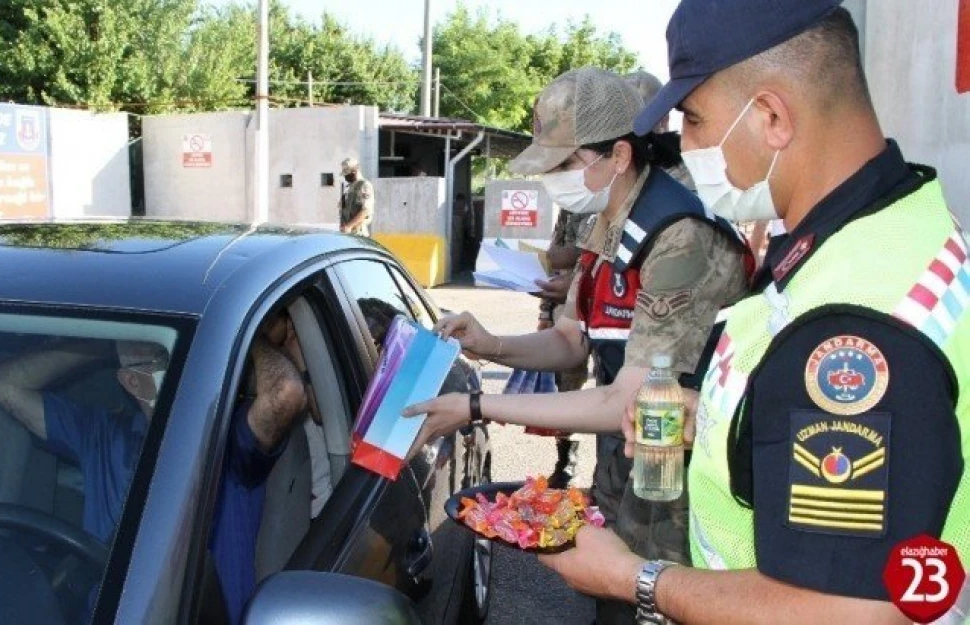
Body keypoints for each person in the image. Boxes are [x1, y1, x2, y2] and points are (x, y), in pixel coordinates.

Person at [537, 3, 970, 623]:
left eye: (693, 119)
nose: (683, 146)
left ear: (770, 117)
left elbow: (850, 610)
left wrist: (635, 577)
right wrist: (723, 420)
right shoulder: (882, 228)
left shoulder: (851, 330)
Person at [405, 66, 752, 623]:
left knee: (659, 608)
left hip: (684, 484)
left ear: (618, 155)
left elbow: (626, 401)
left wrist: (474, 406)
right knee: (609, 603)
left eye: (565, 165)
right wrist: (489, 342)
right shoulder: (608, 225)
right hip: (628, 468)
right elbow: (571, 342)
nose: (552, 181)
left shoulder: (678, 236)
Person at [0, 313, 308, 624]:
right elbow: (1, 384)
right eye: (158, 356)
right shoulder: (101, 436)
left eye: (180, 352)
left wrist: (241, 338)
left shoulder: (224, 436)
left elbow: (285, 394)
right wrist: (98, 345)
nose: (178, 362)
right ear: (130, 381)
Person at [537, 207, 593, 488]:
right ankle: (566, 460)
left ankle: (611, 466)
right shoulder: (571, 205)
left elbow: (569, 255)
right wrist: (545, 313)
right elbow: (553, 260)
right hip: (566, 309)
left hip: (605, 304)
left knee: (615, 383)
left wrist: (564, 256)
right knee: (568, 387)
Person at [339, 157, 374, 236]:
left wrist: (349, 226)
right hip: (348, 234)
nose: (345, 177)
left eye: (347, 174)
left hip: (359, 234)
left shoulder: (364, 185)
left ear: (354, 171)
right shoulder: (348, 188)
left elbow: (365, 210)